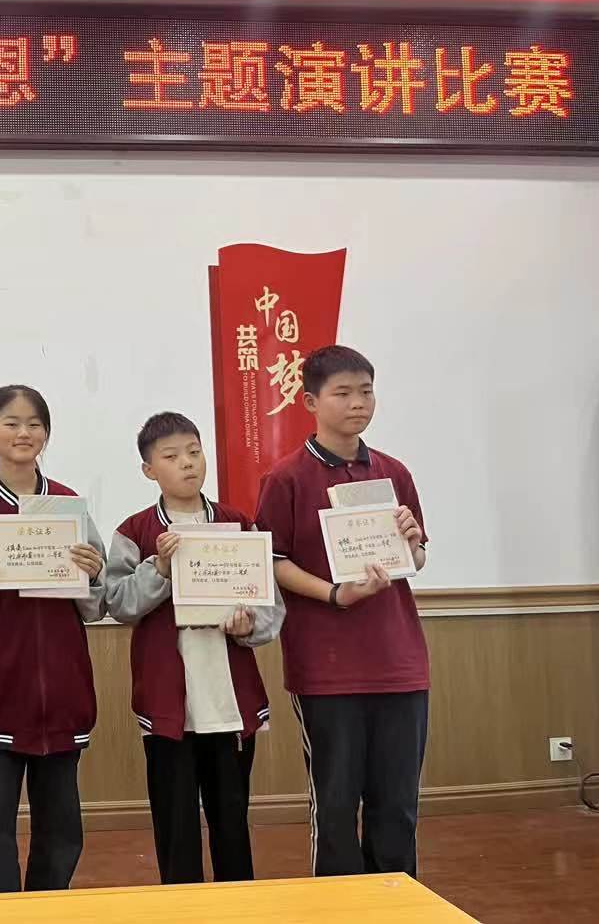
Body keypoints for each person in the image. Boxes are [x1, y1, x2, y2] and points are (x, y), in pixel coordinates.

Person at [254, 345, 428, 878]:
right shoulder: (286, 477)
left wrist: (412, 543)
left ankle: (397, 907)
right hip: (327, 670)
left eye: (366, 391)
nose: (358, 403)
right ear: (310, 401)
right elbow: (272, 560)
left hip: (399, 663)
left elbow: (416, 558)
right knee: (334, 807)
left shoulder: (393, 471)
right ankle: (338, 907)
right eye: (343, 393)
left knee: (397, 806)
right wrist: (335, 594)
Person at [0, 384, 106, 894]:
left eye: (34, 424)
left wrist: (93, 572)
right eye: (11, 423)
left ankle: (47, 907)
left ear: (46, 434)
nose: (23, 433)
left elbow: (99, 599)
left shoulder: (68, 504)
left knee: (62, 828)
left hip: (62, 686)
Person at [105, 412, 284, 884]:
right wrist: (160, 570)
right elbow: (118, 603)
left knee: (232, 822)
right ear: (149, 469)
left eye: (194, 451)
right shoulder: (134, 531)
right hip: (168, 706)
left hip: (228, 701)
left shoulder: (238, 524)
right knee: (176, 826)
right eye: (171, 456)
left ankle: (236, 908)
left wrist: (248, 626)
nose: (187, 463)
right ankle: (181, 907)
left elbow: (270, 607)